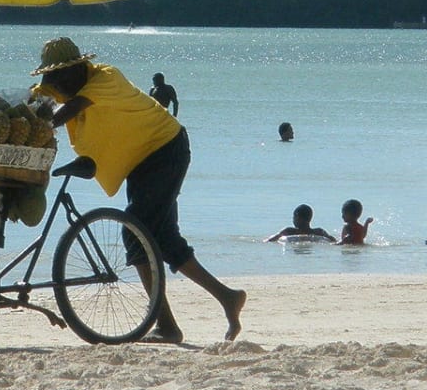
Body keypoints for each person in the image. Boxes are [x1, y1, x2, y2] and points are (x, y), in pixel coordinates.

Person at [33, 37, 246, 343]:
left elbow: (69, 110)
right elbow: (36, 98)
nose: (58, 86)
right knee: (163, 238)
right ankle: (227, 297)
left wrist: (39, 126)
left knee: (135, 232)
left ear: (79, 68)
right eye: (52, 78)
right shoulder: (64, 83)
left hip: (165, 150)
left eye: (60, 77)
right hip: (140, 163)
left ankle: (167, 325)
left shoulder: (105, 77)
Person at [266, 204, 336, 242]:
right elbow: (333, 240)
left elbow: (271, 240)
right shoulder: (318, 232)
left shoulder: (289, 231)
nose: (293, 219)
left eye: (294, 217)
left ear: (297, 218)